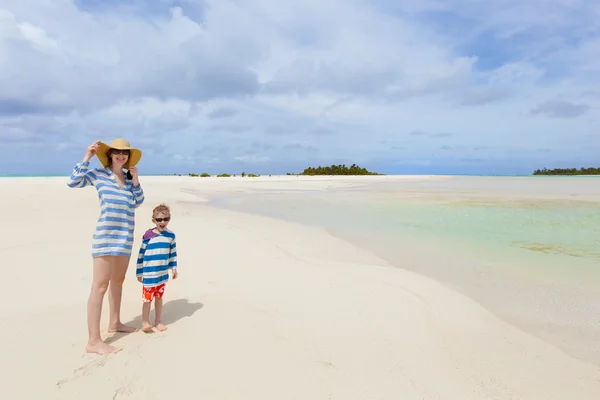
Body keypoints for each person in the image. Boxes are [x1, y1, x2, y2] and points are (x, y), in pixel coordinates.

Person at [67, 139, 145, 354]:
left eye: (124, 153)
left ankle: (115, 323)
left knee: (118, 282)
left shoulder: (129, 181)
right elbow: (73, 182)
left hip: (125, 238)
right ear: (110, 155)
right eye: (117, 152)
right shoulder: (99, 175)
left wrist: (136, 179)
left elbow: (138, 201)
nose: (121, 156)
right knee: (99, 286)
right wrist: (87, 157)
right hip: (105, 238)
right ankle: (93, 341)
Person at [135, 203, 178, 332]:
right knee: (147, 300)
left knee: (159, 298)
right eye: (159, 219)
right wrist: (139, 272)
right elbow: (140, 255)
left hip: (162, 274)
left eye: (166, 219)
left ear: (169, 219)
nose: (162, 222)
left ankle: (158, 321)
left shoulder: (170, 236)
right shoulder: (148, 236)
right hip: (149, 274)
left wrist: (174, 268)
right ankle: (144, 322)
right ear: (154, 220)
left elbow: (173, 253)